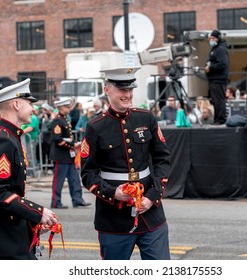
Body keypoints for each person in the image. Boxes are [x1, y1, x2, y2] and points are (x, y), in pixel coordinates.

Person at [81, 66, 171, 260]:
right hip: (113, 218)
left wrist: (153, 196)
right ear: (107, 90)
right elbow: (88, 174)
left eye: (130, 89)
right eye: (122, 90)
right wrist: (114, 193)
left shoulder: (145, 117)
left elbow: (162, 159)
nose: (128, 94)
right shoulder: (96, 126)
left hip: (151, 213)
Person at [0, 78, 58, 259]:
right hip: (2, 238)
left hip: (11, 230)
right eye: (30, 103)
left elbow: (11, 192)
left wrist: (32, 220)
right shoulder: (2, 140)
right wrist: (37, 212)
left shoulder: (11, 136)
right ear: (16, 104)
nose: (33, 108)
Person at [49, 96, 91, 209]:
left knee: (74, 179)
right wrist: (72, 145)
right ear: (61, 107)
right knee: (59, 180)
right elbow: (57, 139)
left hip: (68, 154)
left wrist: (73, 144)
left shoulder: (65, 119)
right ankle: (55, 202)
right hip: (60, 155)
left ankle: (77, 199)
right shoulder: (57, 121)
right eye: (67, 106)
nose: (69, 108)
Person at [205, 29, 229, 125]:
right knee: (215, 101)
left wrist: (210, 67)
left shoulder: (221, 49)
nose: (211, 40)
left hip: (218, 79)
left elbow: (222, 64)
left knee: (219, 100)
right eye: (210, 38)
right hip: (214, 79)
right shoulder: (215, 49)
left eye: (213, 38)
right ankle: (217, 119)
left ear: (218, 39)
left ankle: (220, 119)